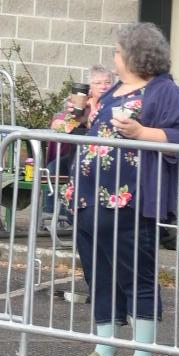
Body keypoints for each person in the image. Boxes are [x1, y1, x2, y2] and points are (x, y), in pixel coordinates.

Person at [60, 22, 179, 356]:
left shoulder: (164, 91)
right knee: (99, 272)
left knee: (136, 273)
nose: (114, 57)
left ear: (137, 55)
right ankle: (104, 349)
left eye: (119, 52)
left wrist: (142, 133)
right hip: (91, 196)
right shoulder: (115, 89)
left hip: (131, 198)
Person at [45, 65, 114, 237]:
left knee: (74, 167)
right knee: (53, 167)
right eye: (98, 83)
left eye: (107, 82)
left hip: (104, 159)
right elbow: (58, 125)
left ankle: (73, 217)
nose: (103, 86)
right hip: (79, 156)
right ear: (90, 87)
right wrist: (74, 119)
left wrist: (87, 121)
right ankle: (52, 216)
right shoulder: (81, 104)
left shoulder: (113, 105)